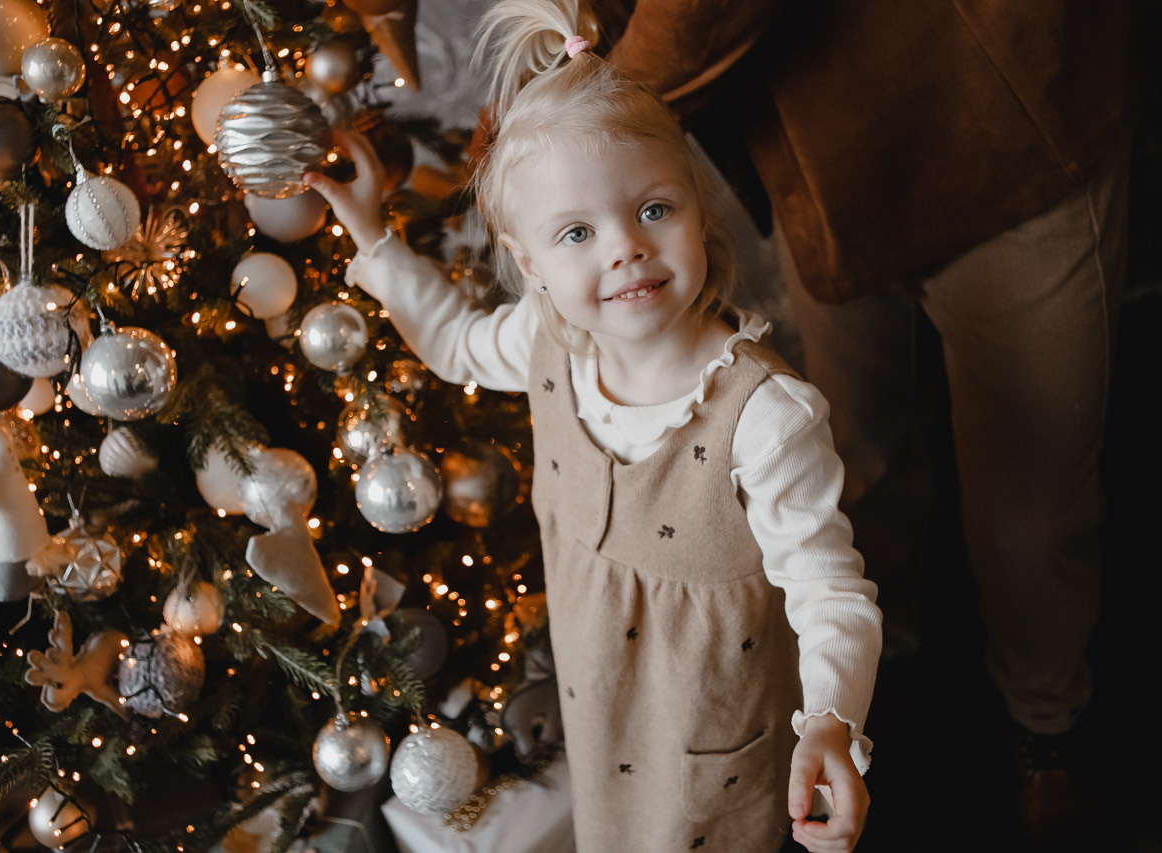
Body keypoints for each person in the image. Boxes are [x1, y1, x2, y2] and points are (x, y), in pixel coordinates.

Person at [306, 2, 882, 850]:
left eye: (654, 209)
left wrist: (830, 721)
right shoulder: (550, 343)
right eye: (577, 232)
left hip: (717, 741)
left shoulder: (763, 415)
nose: (625, 248)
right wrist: (373, 237)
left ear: (697, 206)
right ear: (531, 263)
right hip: (600, 704)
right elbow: (458, 344)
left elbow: (831, 590)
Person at [580, 0, 1147, 845]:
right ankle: (878, 695)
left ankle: (1046, 719)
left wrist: (580, 113)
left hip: (994, 115)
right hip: (817, 164)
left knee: (1030, 503)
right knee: (857, 471)